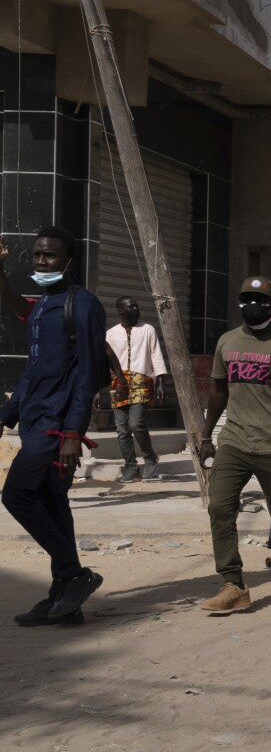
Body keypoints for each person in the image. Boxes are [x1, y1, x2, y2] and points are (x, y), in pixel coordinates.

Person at [0, 229, 107, 627]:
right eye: (38, 256)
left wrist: (73, 434)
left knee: (16, 496)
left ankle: (75, 574)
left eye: (51, 256)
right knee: (52, 503)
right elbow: (33, 369)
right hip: (34, 419)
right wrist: (7, 413)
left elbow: (87, 372)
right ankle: (65, 599)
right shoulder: (44, 305)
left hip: (56, 426)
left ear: (69, 261)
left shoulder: (84, 305)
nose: (42, 263)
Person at [195, 276, 271, 614]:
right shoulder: (227, 341)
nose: (252, 304)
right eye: (247, 298)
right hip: (235, 441)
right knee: (219, 508)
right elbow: (218, 391)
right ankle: (234, 585)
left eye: (260, 299)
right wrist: (206, 436)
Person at [105, 296, 168, 482]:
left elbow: (156, 355)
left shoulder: (147, 329)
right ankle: (131, 467)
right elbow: (105, 363)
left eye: (136, 305)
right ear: (120, 310)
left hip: (142, 380)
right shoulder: (110, 334)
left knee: (136, 423)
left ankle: (149, 458)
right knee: (122, 429)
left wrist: (161, 381)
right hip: (119, 383)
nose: (135, 309)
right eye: (130, 306)